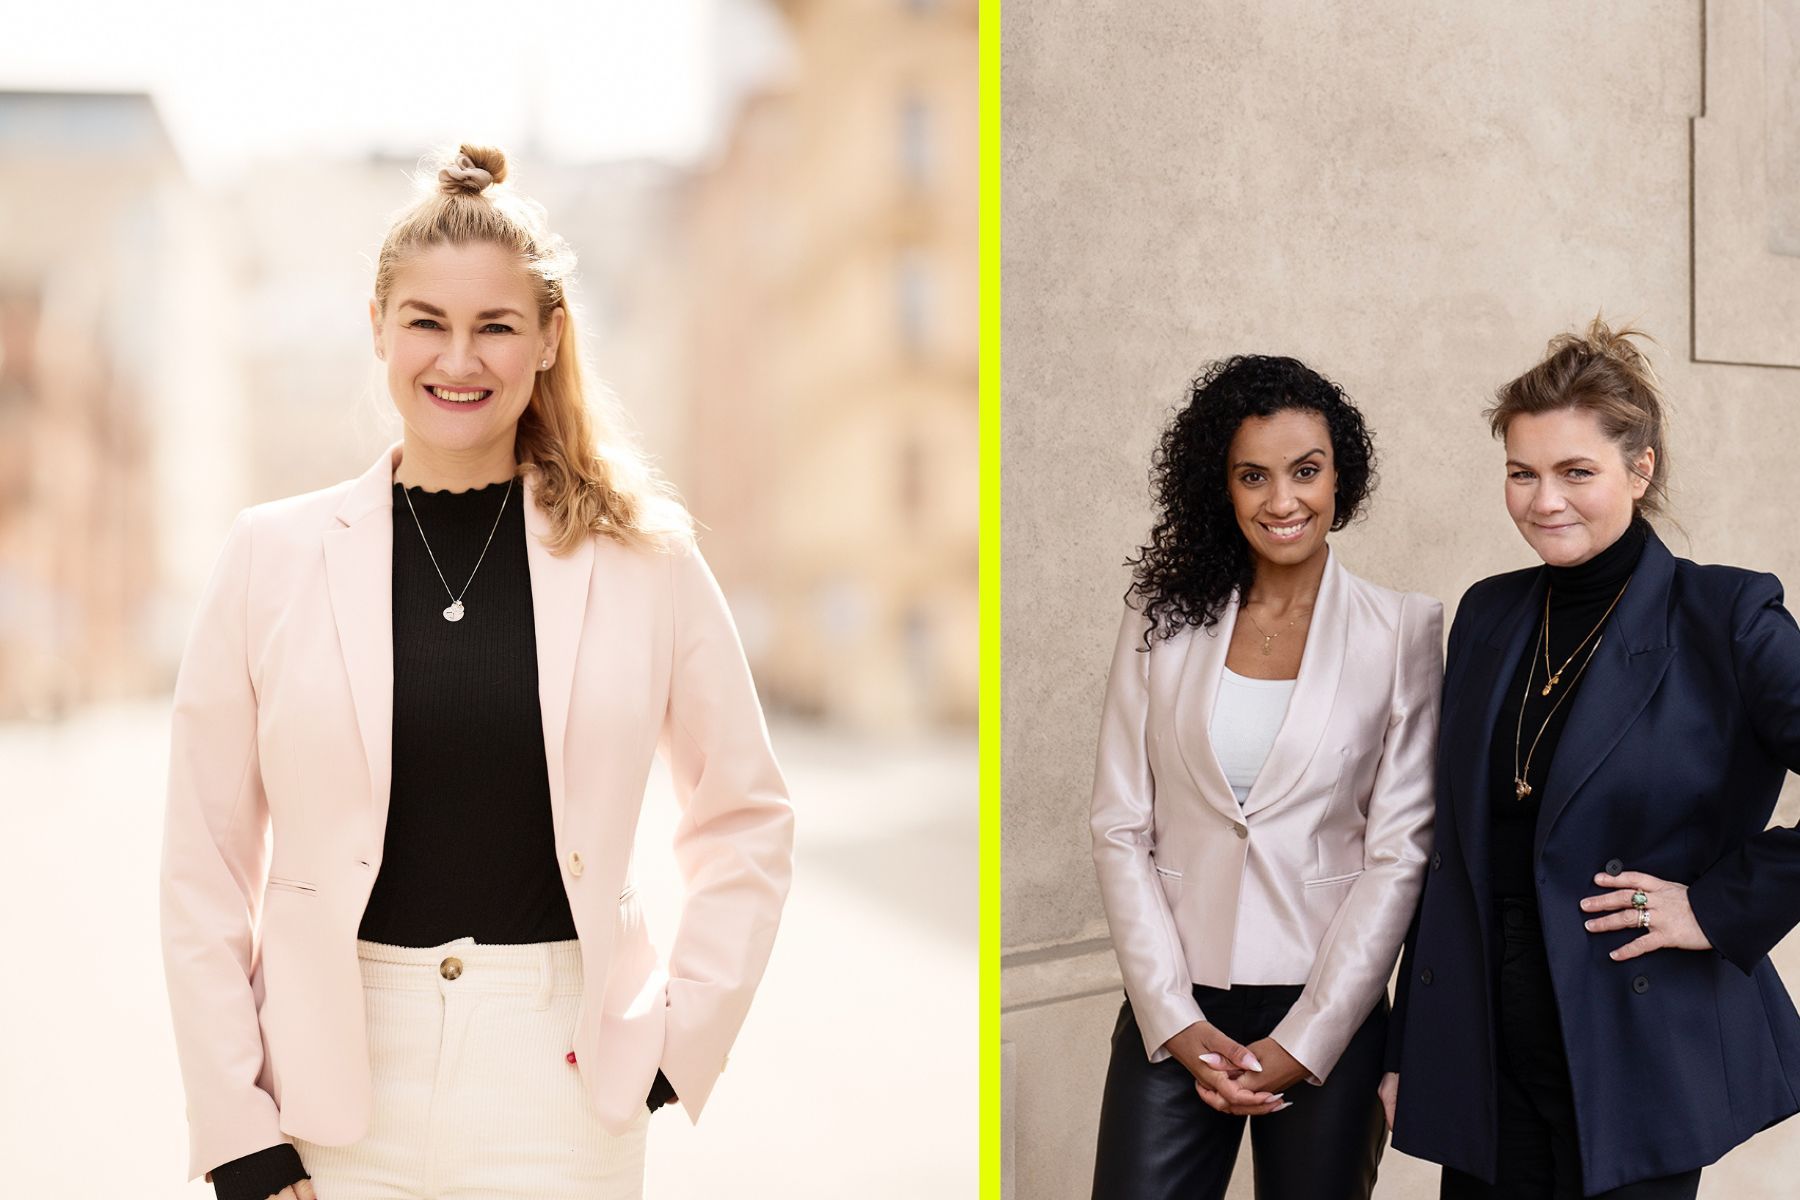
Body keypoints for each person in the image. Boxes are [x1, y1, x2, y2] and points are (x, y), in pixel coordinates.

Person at [160, 144, 795, 1200]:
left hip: (561, 1087)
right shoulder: (270, 557)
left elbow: (747, 816)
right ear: (378, 326)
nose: (461, 358)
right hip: (326, 1096)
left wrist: (678, 1046)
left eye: (496, 325)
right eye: (427, 322)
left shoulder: (647, 561)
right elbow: (204, 866)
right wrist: (237, 1127)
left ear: (549, 339)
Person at [1384, 318, 1800, 1198]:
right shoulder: (1491, 613)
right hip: (1484, 1053)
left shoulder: (1725, 615)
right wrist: (1406, 1046)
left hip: (1633, 1046)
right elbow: (1446, 854)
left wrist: (1717, 906)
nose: (1546, 501)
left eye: (1577, 472)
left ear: (1639, 469)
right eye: (1522, 473)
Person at [1087, 355, 1442, 1199]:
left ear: (1338, 476)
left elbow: (1400, 852)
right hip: (1174, 1008)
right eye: (1254, 476)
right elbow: (1118, 824)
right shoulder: (1160, 618)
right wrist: (1172, 1019)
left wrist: (1307, 1039)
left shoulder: (1403, 631)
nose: (1282, 502)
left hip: (1327, 1014)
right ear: (1224, 486)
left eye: (1305, 471)